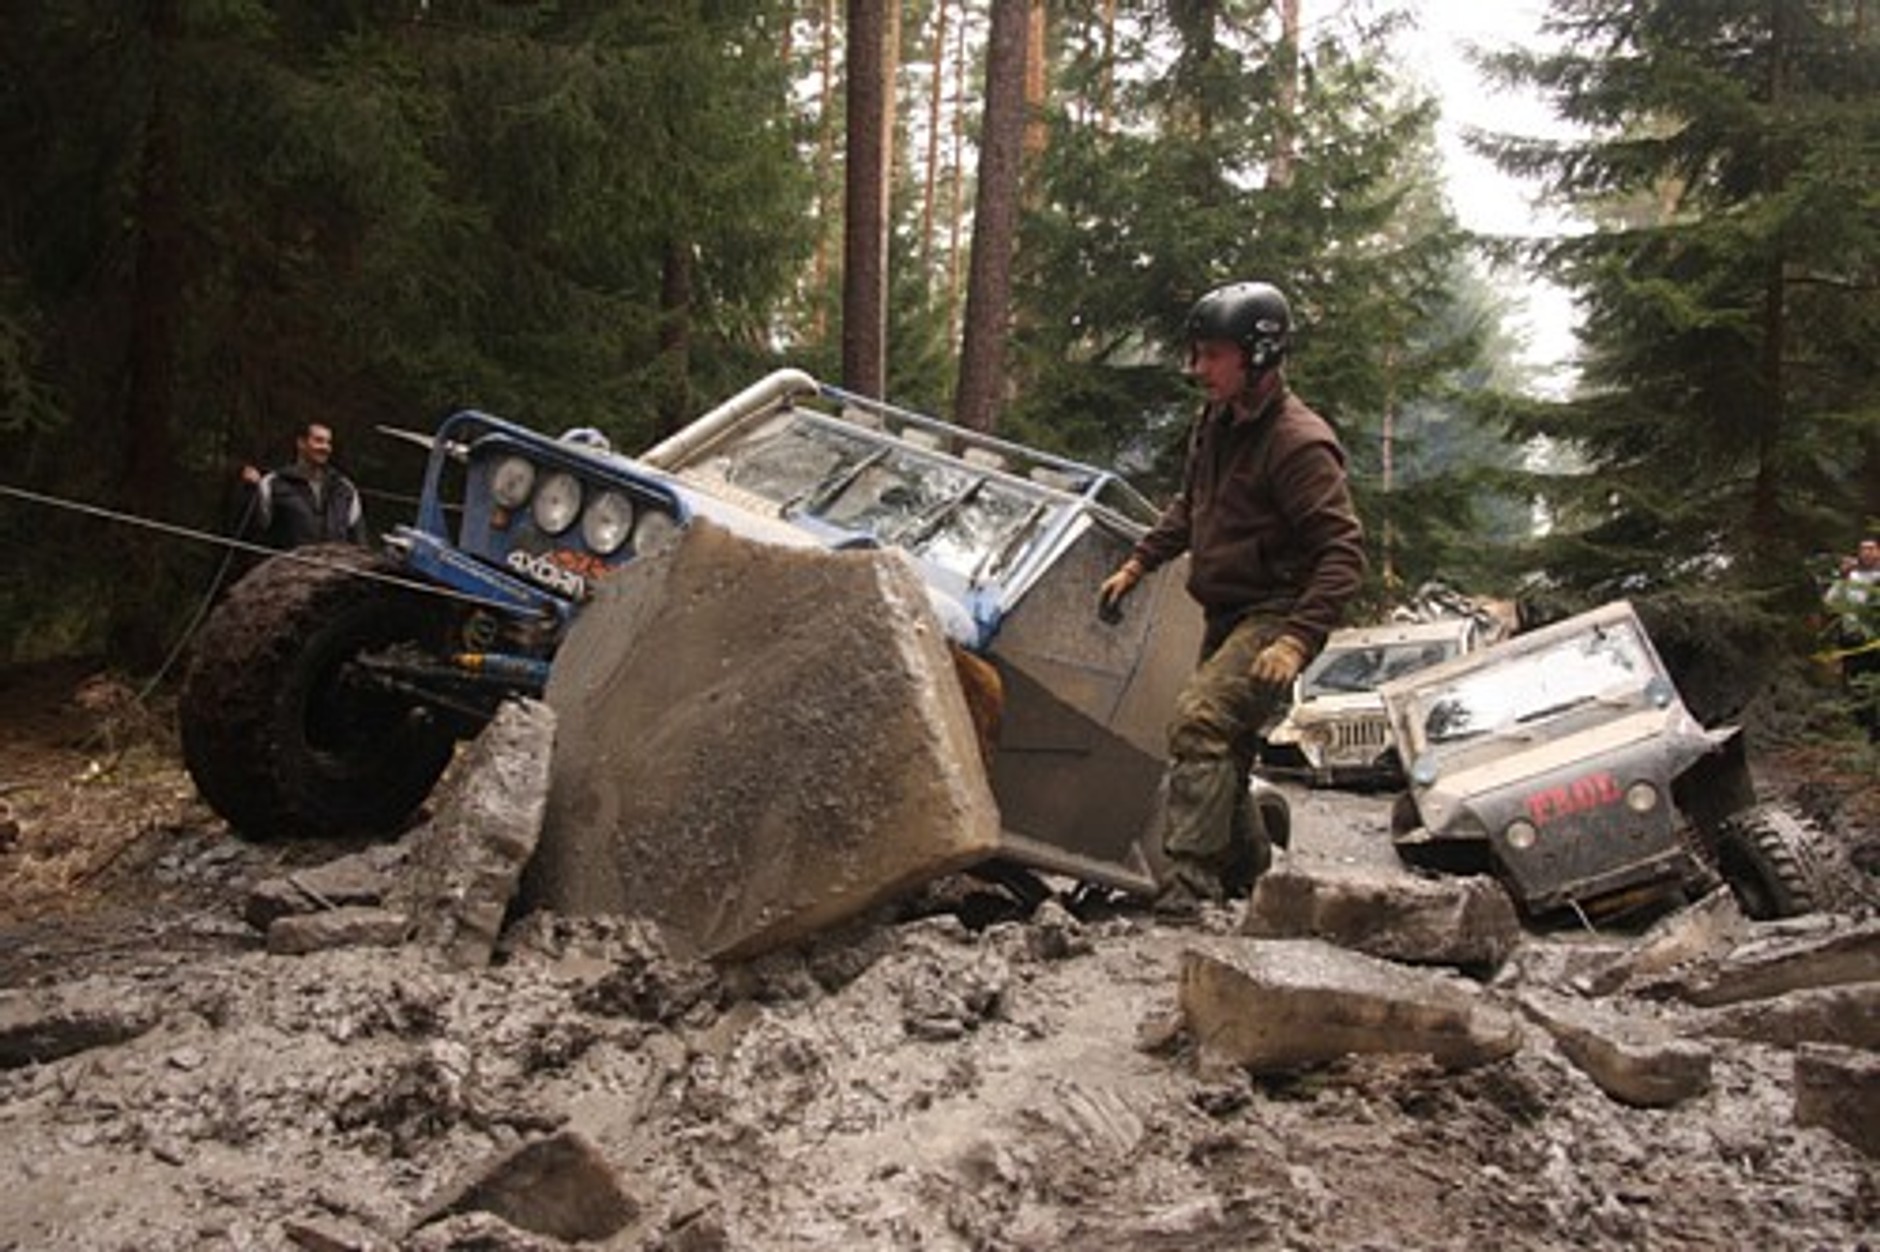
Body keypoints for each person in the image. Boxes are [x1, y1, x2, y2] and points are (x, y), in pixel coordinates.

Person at [1097, 281, 1367, 914]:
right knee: (1227, 751)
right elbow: (1193, 504)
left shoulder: (1299, 444)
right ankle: (1252, 870)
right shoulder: (1217, 422)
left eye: (1212, 355)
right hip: (1227, 610)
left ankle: (1187, 889)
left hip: (1276, 612)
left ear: (1258, 356)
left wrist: (1297, 638)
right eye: (1196, 354)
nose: (1198, 370)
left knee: (1199, 719)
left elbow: (1342, 552)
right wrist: (1140, 561)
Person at [241, 421, 365, 550]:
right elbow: (254, 532)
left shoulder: (345, 489)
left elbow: (359, 541)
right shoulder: (273, 483)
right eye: (318, 440)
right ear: (301, 443)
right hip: (286, 568)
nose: (325, 447)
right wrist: (250, 491)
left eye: (328, 442)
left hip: (335, 568)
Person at [1823, 535, 1879, 736]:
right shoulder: (1850, 578)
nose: (1868, 552)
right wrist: (1842, 578)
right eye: (1864, 549)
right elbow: (1830, 602)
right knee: (1857, 683)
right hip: (1853, 639)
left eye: (1872, 548)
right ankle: (1866, 730)